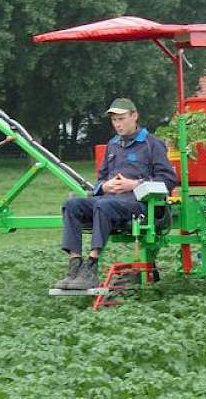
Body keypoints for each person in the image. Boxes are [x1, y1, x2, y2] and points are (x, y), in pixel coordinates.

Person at [54, 98, 179, 290]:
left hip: (139, 205)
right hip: (110, 199)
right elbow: (101, 180)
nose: (118, 124)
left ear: (134, 116)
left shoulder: (152, 144)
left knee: (103, 205)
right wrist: (105, 187)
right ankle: (75, 266)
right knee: (72, 204)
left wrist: (135, 184)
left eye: (122, 119)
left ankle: (91, 267)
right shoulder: (112, 145)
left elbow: (169, 180)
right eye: (114, 120)